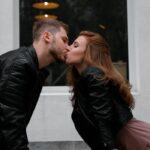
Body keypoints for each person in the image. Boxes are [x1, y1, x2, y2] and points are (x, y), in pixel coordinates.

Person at [66, 31, 150, 150]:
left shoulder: (93, 76)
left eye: (75, 45)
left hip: (134, 140)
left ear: (89, 53)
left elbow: (102, 116)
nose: (68, 47)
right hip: (129, 138)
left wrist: (108, 146)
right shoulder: (86, 80)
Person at [0, 19, 69, 150]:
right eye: (64, 40)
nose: (68, 46)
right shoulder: (20, 65)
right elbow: (10, 124)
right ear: (47, 36)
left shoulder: (36, 69)